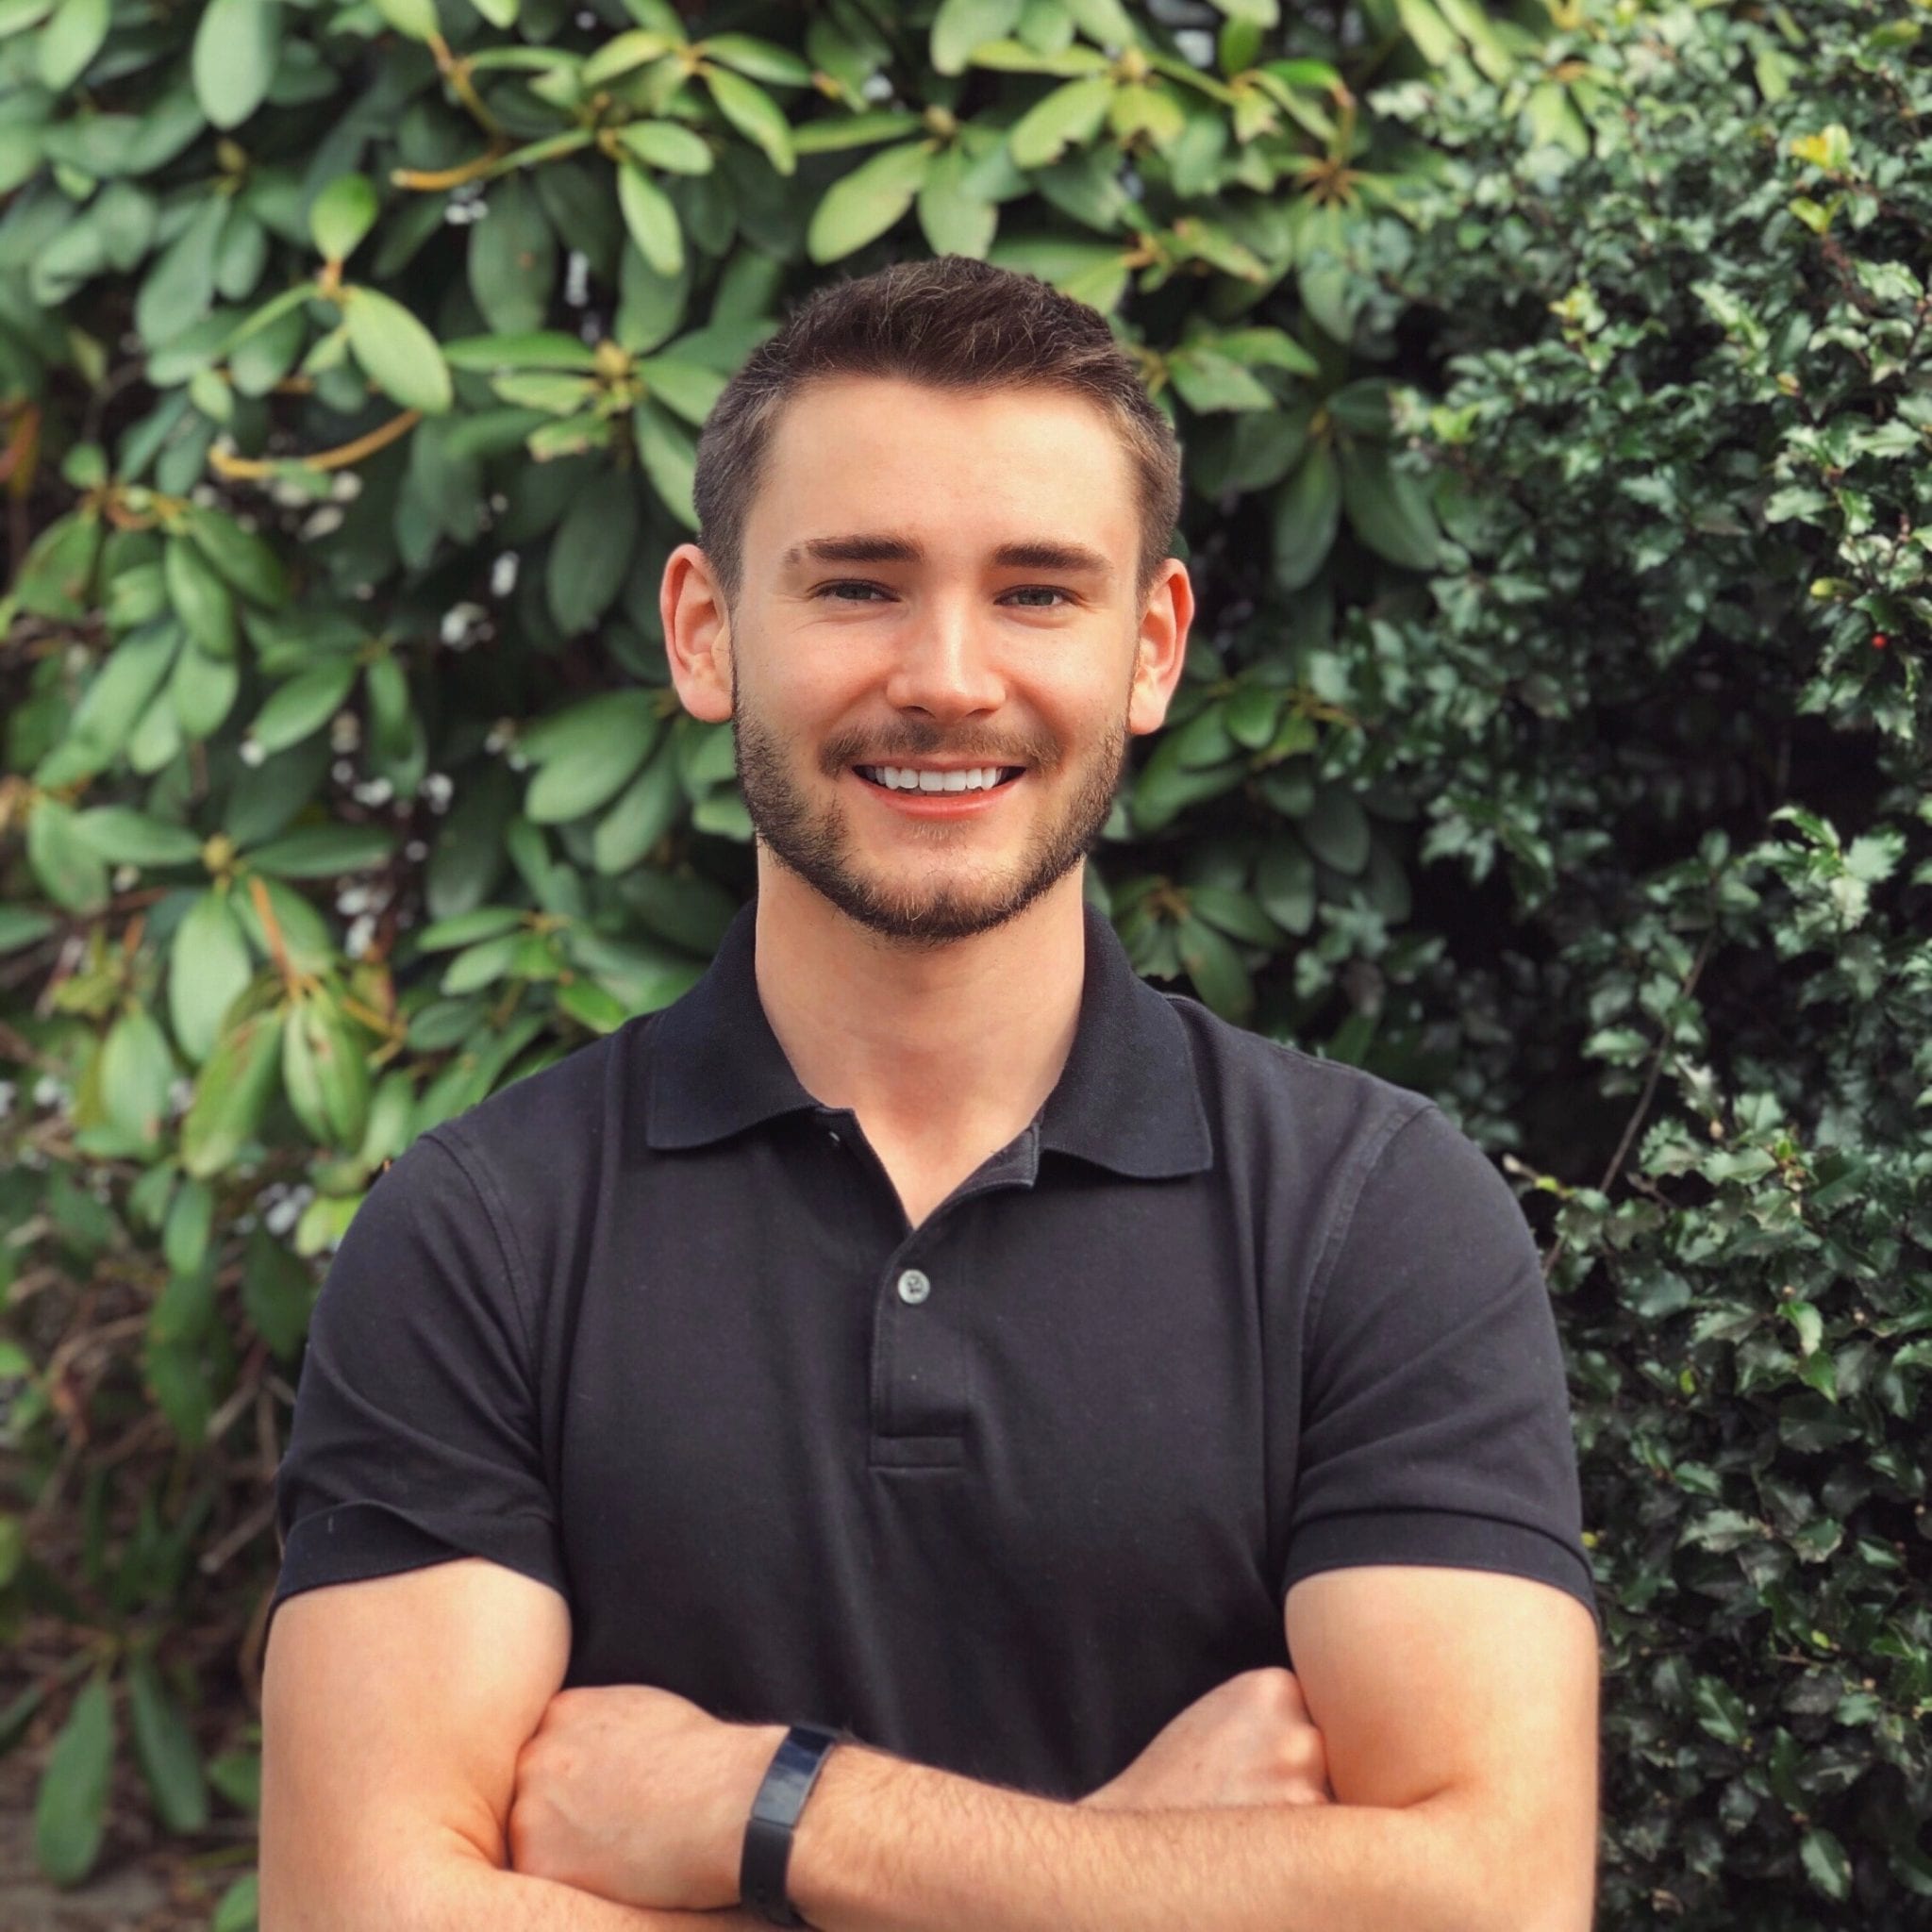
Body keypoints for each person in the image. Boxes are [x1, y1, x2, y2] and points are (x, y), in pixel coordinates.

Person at [259, 256, 1601, 1932]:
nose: (950, 678)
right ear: (705, 631)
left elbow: (1493, 1901)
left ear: (1152, 648)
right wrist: (1135, 1868)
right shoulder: (482, 1240)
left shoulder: (1373, 1217)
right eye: (858, 585)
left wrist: (775, 1812)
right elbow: (363, 1912)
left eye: (1037, 592)